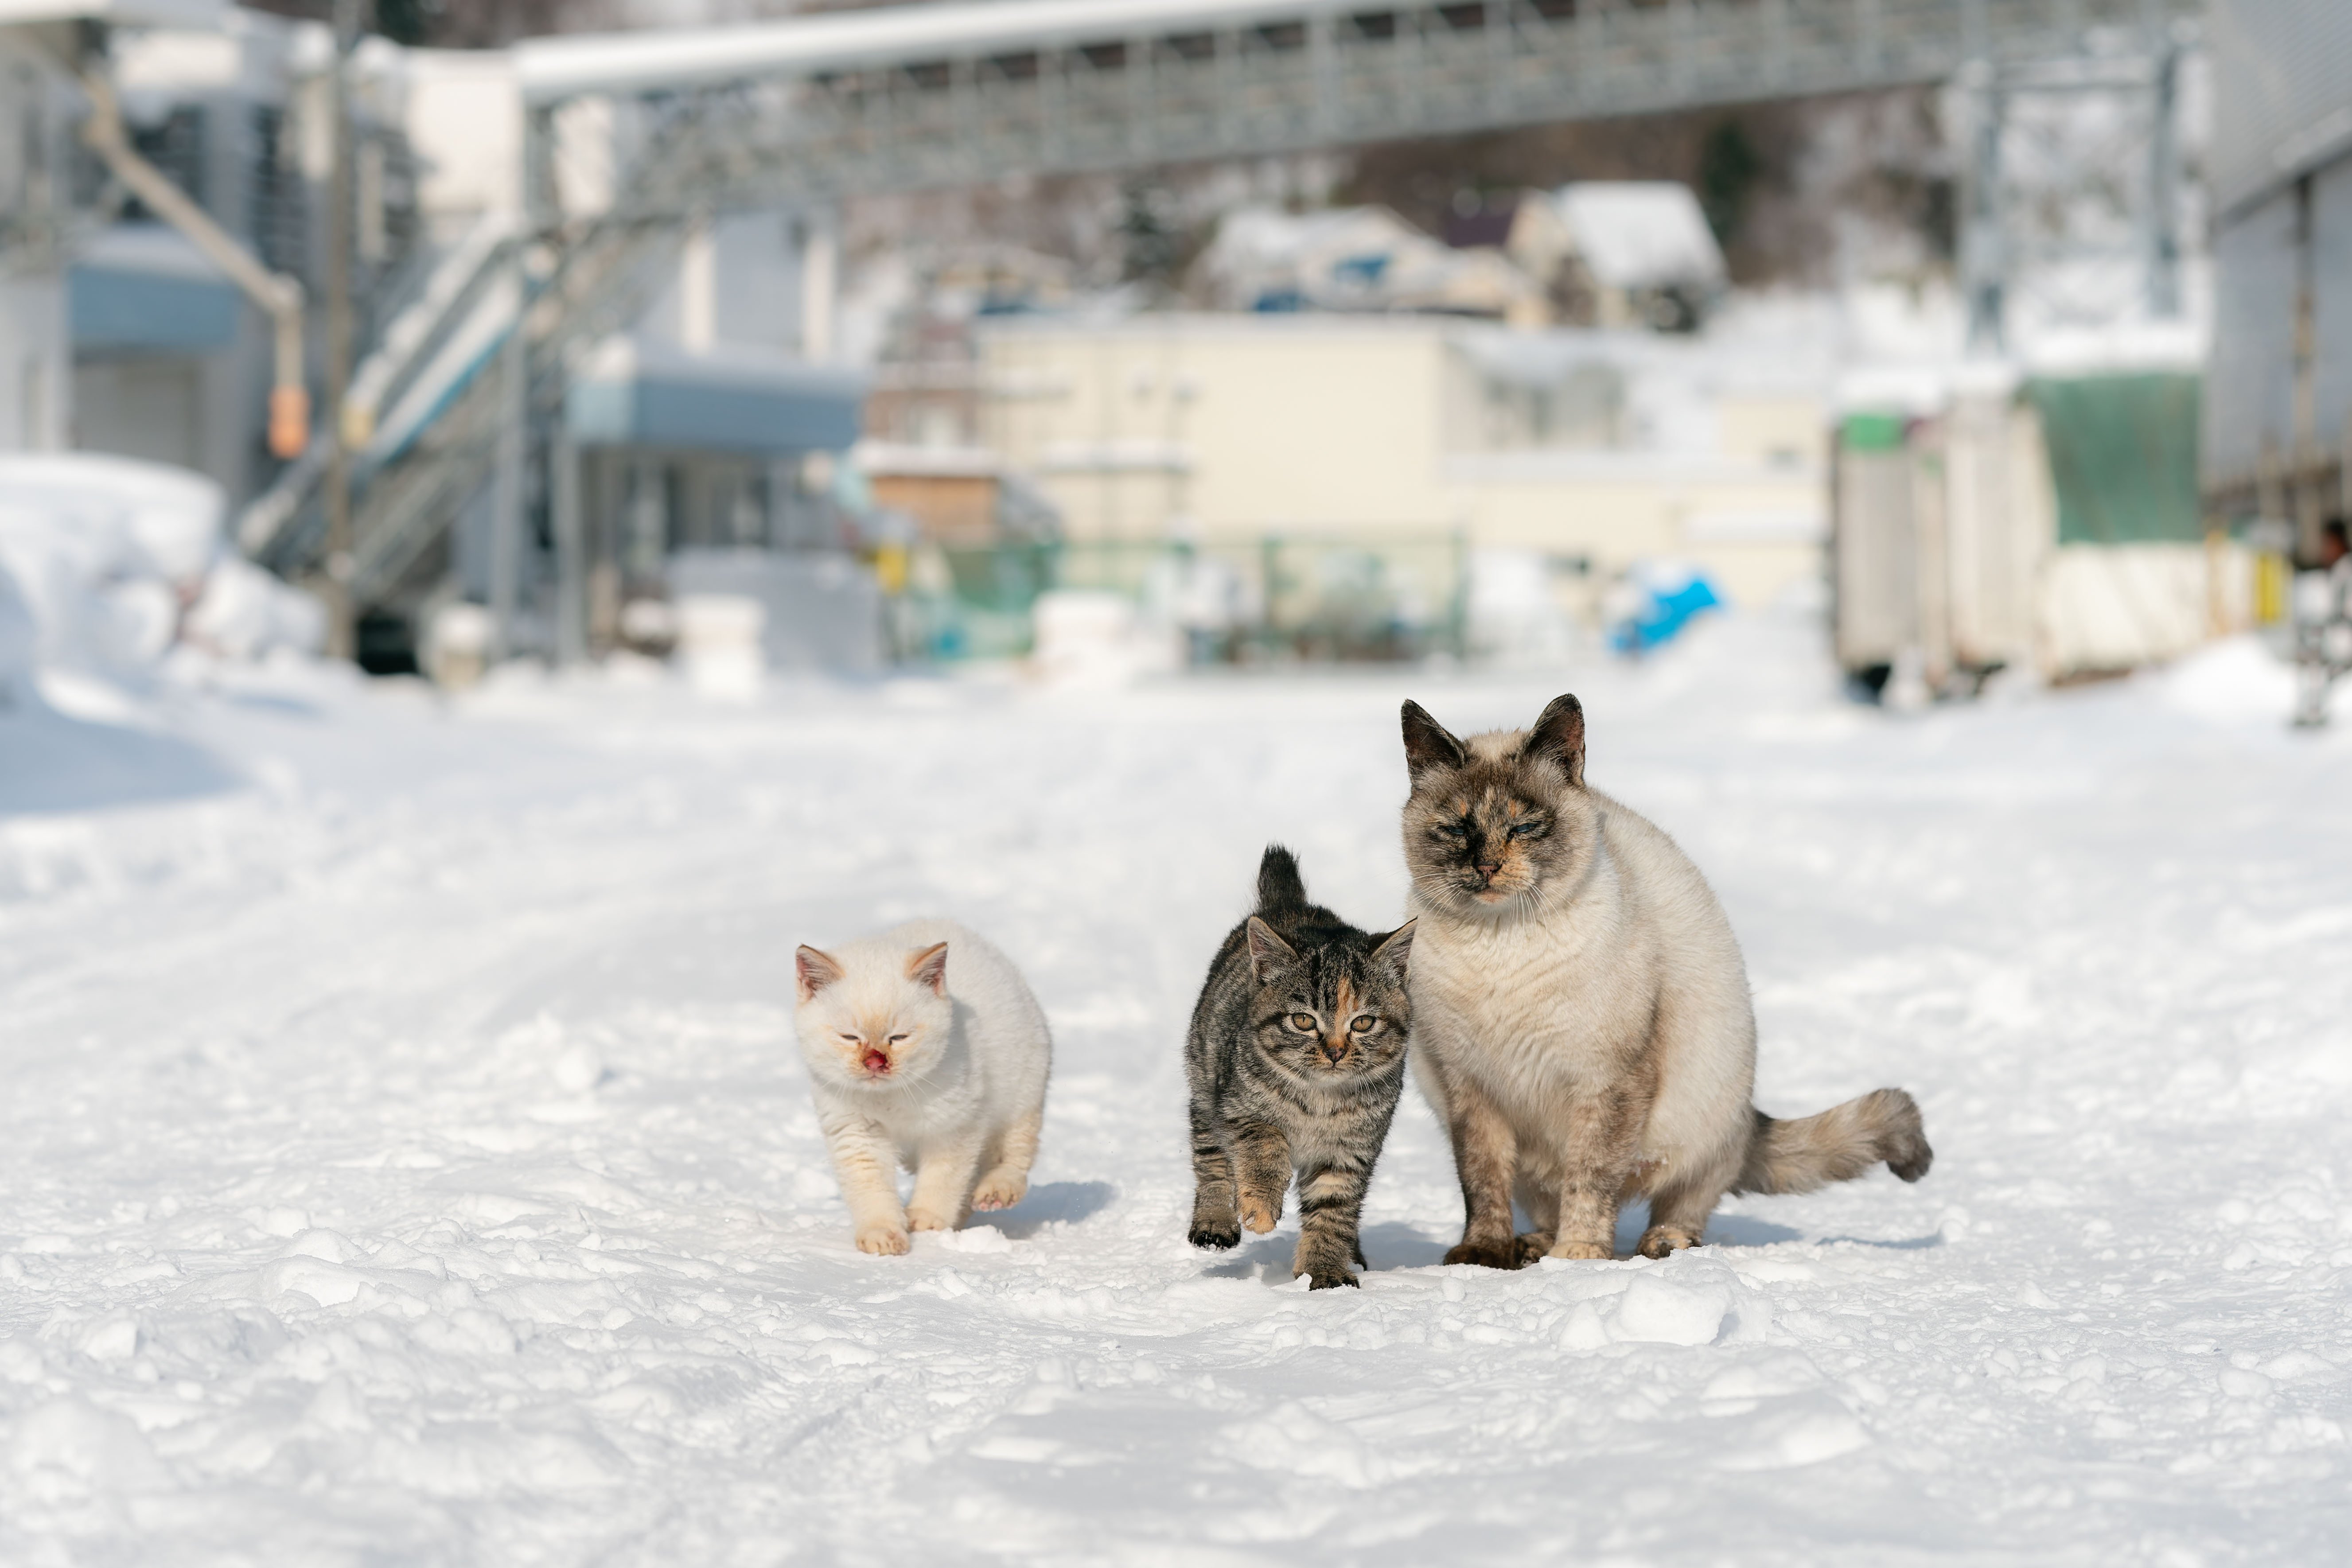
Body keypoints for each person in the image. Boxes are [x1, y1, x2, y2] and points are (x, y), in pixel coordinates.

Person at [2291, 517, 2352, 728]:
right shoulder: (2338, 570)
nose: (2325, 550)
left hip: (2344, 640)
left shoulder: (2346, 570)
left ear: (2340, 543)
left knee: (2312, 651)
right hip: (2338, 637)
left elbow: (2346, 613)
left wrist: (2325, 625)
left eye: (2328, 544)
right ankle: (2313, 706)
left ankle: (2314, 708)